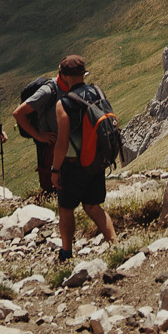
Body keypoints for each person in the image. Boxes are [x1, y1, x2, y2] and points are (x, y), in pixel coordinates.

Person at [50, 55, 117, 262]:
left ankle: (66, 252)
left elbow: (62, 142)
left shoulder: (64, 103)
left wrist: (54, 170)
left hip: (74, 165)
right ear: (83, 74)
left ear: (63, 75)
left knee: (66, 208)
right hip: (97, 160)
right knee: (92, 206)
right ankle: (115, 244)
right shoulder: (98, 91)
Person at [12, 73, 59, 195]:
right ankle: (49, 192)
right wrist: (39, 136)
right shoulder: (45, 96)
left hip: (44, 137)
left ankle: (50, 191)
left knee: (46, 163)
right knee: (46, 163)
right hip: (45, 138)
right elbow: (17, 113)